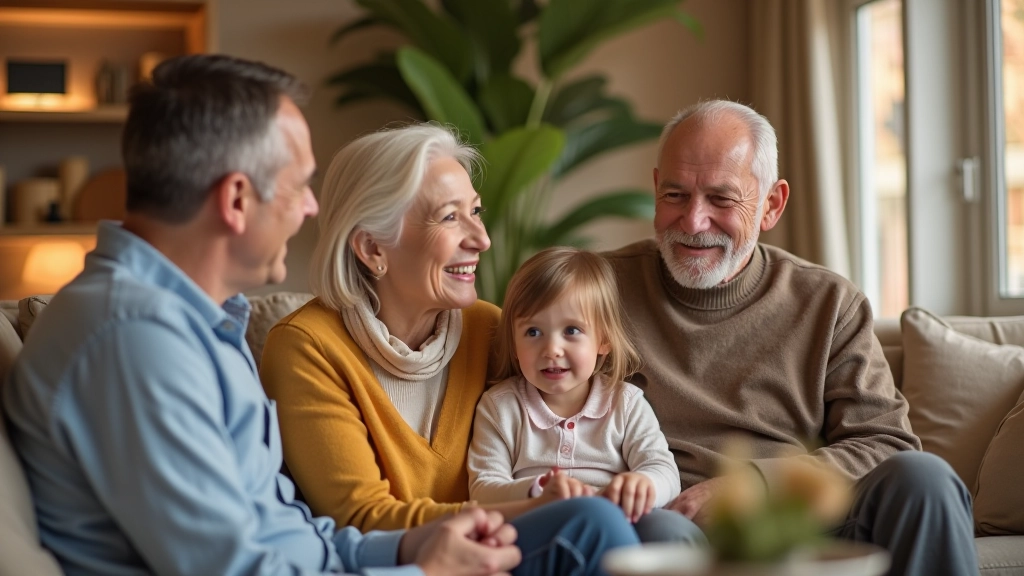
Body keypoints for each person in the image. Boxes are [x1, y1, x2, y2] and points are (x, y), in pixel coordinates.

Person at [0, 53, 607, 576]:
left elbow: (290, 533)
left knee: (605, 527)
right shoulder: (134, 342)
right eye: (298, 186)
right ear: (237, 199)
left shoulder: (201, 325)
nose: (314, 208)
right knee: (593, 531)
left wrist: (410, 544)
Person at [602, 99, 978, 575]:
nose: (694, 221)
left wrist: (758, 485)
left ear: (771, 205)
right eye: (676, 195)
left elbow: (887, 445)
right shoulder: (597, 293)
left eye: (721, 199)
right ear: (656, 188)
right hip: (672, 522)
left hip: (803, 523)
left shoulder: (827, 302)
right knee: (661, 537)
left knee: (925, 479)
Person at [259, 123, 639, 573]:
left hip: (503, 555)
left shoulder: (492, 329)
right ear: (372, 247)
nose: (481, 239)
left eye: (475, 211)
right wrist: (542, 507)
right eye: (450, 217)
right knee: (593, 522)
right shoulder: (308, 349)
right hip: (413, 566)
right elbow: (363, 523)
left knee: (657, 531)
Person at [467, 247, 702, 545]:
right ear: (513, 344)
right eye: (533, 333)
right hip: (541, 525)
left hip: (621, 516)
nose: (552, 349)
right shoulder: (500, 407)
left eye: (572, 330)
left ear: (603, 340)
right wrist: (538, 489)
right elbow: (483, 488)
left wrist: (642, 483)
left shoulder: (625, 403)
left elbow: (665, 471)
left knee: (674, 531)